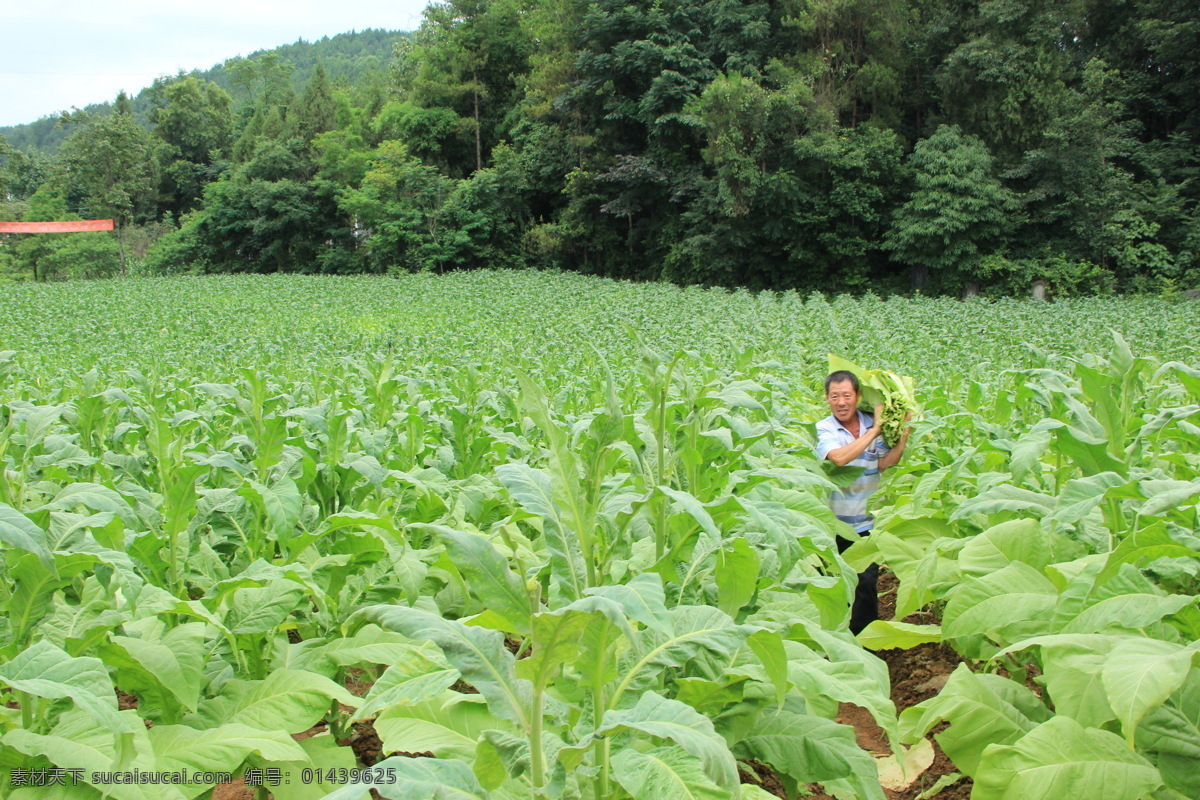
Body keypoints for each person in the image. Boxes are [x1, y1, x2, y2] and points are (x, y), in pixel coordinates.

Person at [815, 369, 910, 635]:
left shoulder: (870, 423)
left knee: (866, 584)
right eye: (835, 396)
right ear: (827, 398)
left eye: (846, 395)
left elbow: (884, 463)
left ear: (857, 396)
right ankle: (836, 640)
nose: (841, 402)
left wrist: (904, 434)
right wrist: (876, 429)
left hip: (867, 523)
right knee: (836, 586)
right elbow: (839, 458)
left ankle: (866, 646)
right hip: (834, 525)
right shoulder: (826, 428)